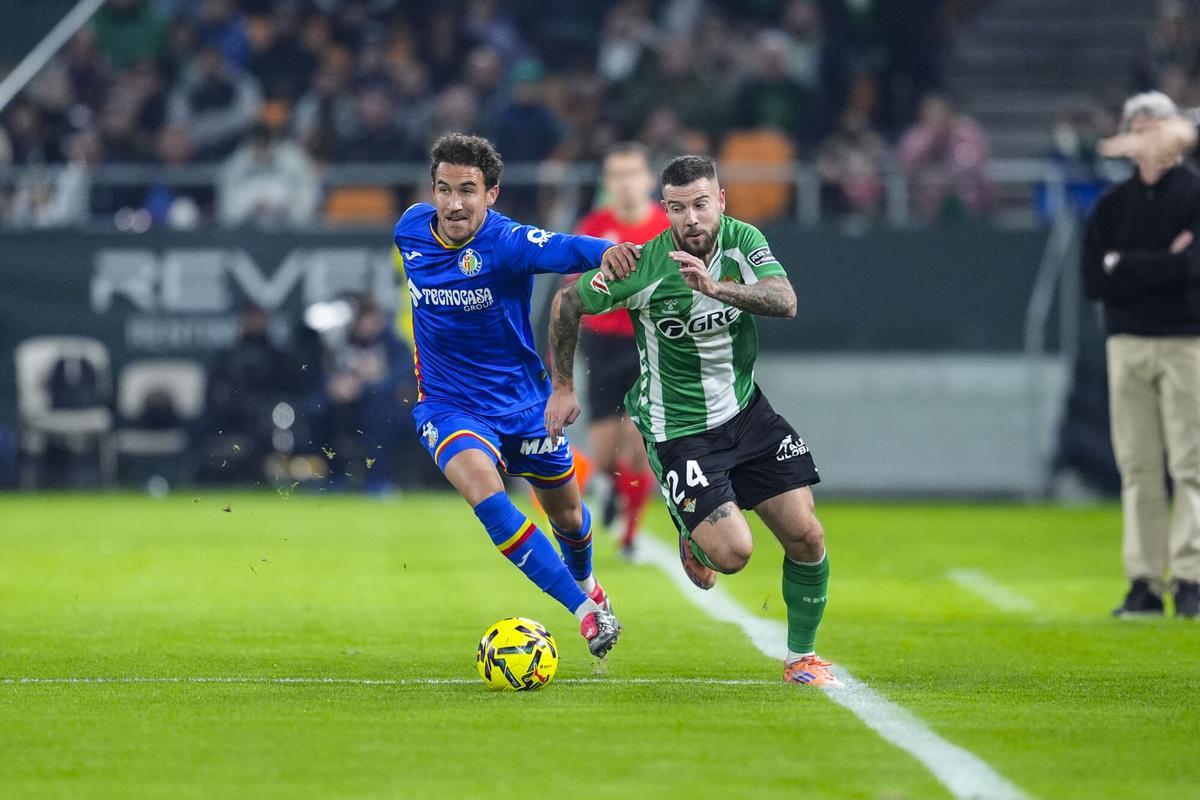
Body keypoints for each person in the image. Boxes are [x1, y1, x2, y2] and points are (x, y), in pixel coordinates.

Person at [546, 155, 837, 685]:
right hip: (679, 431)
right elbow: (567, 302)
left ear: (720, 202)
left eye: (701, 204)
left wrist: (717, 288)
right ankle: (695, 531)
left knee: (807, 536)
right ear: (666, 212)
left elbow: (785, 300)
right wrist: (562, 387)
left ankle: (802, 658)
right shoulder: (641, 266)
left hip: (748, 414)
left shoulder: (744, 242)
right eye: (679, 209)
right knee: (734, 554)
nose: (692, 219)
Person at [394, 133, 640, 656]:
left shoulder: (505, 242)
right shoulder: (410, 229)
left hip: (524, 406)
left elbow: (562, 247)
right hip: (448, 404)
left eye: (467, 190)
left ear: (492, 195)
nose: (454, 203)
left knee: (569, 519)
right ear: (431, 191)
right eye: (444, 189)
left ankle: (589, 585)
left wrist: (610, 251)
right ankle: (585, 612)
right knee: (488, 497)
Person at [1083, 92, 1200, 620]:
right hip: (1128, 341)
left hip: (1186, 341)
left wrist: (1124, 265)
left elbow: (1192, 270)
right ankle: (1145, 583)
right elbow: (1092, 280)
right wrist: (1163, 264)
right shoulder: (1112, 205)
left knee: (1192, 463)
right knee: (1138, 467)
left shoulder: (1195, 194)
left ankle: (1192, 577)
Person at [568, 142, 669, 559]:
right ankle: (608, 488)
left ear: (647, 179)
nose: (625, 183)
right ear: (608, 183)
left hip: (648, 342)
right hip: (602, 344)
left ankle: (629, 535)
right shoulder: (593, 226)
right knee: (605, 453)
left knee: (638, 443)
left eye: (632, 173)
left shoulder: (666, 228)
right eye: (617, 175)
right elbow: (575, 293)